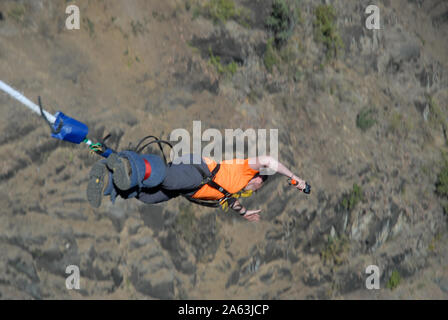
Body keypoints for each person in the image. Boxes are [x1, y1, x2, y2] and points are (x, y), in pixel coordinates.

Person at [86, 150, 308, 222]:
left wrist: (245, 213)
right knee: (163, 177)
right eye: (258, 187)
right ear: (258, 180)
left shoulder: (233, 190)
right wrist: (294, 178)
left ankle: (112, 179)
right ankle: (129, 165)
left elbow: (233, 203)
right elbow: (268, 160)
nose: (254, 190)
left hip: (188, 188)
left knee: (147, 197)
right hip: (198, 172)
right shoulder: (245, 170)